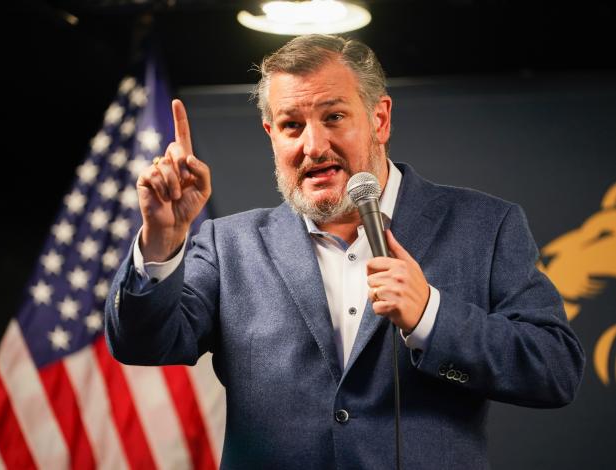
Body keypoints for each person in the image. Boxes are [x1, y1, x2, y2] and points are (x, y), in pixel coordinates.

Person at [105, 34, 585, 469]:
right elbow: (141, 344)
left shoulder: (485, 226)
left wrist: (430, 318)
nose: (314, 145)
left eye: (334, 117)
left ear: (379, 119)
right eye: (292, 125)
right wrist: (162, 242)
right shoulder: (227, 245)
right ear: (273, 137)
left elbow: (554, 369)